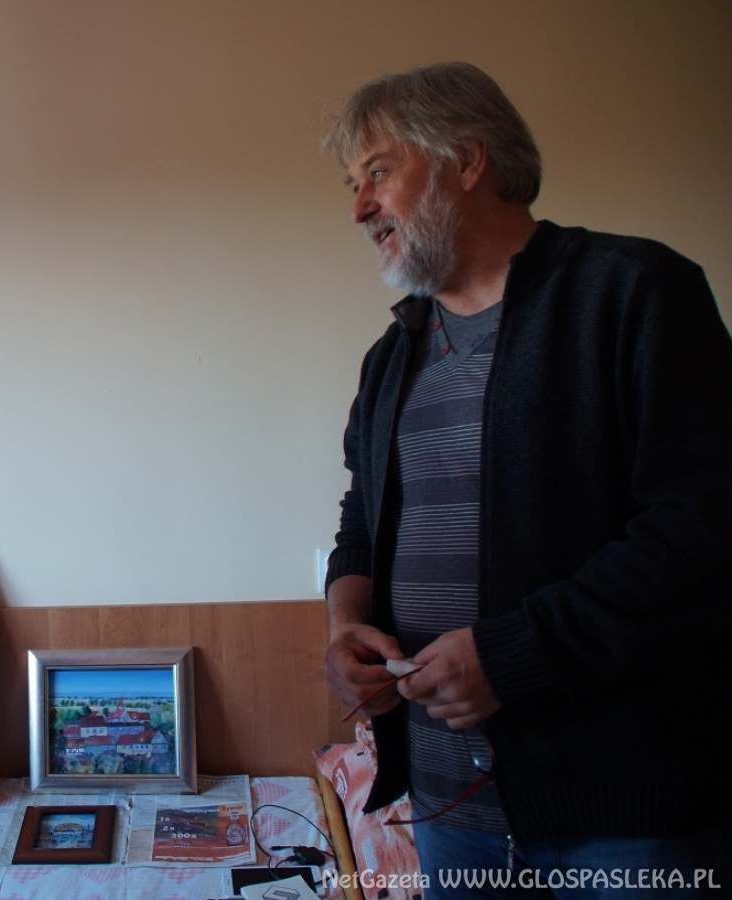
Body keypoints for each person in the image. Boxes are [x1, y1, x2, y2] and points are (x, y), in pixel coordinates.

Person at [319, 62, 732, 897]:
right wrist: (345, 627)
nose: (359, 207)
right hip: (447, 807)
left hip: (622, 813)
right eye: (354, 184)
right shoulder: (390, 358)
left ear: (468, 159)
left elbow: (703, 525)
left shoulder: (634, 292)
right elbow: (362, 519)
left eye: (379, 172)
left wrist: (516, 654)